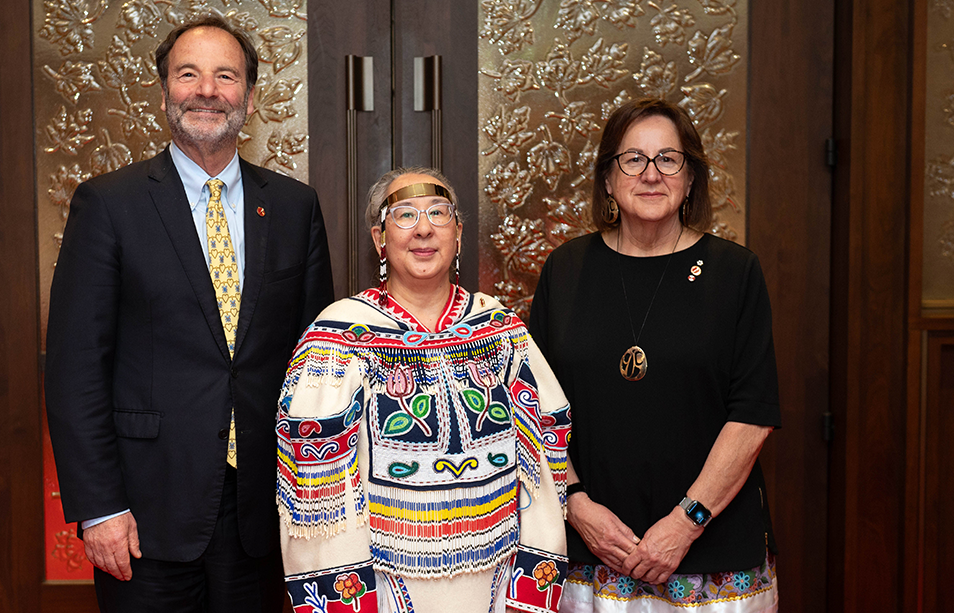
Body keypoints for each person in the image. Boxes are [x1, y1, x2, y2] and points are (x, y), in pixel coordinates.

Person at [44, 14, 334, 613]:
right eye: (189, 74)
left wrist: (319, 499)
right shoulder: (109, 204)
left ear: (250, 100)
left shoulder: (293, 207)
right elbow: (76, 370)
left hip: (263, 513)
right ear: (163, 93)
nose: (207, 90)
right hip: (144, 513)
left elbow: (319, 370)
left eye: (225, 76)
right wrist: (100, 507)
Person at [275, 167, 570, 613]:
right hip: (382, 581)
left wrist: (531, 583)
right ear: (379, 238)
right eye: (405, 216)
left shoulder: (500, 329)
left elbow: (544, 460)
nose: (424, 229)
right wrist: (348, 596)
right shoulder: (338, 335)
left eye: (439, 213)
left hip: (498, 575)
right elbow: (318, 496)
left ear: (458, 234)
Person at [527, 98, 780, 612]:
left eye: (669, 159)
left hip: (714, 554)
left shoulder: (735, 273)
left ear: (690, 179)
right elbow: (533, 409)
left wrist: (686, 523)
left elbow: (753, 416)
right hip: (591, 551)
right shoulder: (566, 270)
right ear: (607, 178)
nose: (650, 174)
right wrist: (576, 505)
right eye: (633, 159)